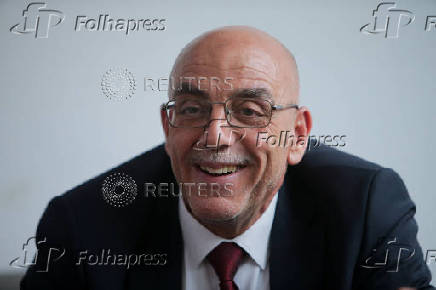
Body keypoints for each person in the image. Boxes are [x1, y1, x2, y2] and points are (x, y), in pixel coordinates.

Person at [21, 26, 434, 290]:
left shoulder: (367, 208)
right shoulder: (82, 228)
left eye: (251, 111)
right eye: (192, 109)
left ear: (297, 136)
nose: (215, 136)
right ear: (168, 129)